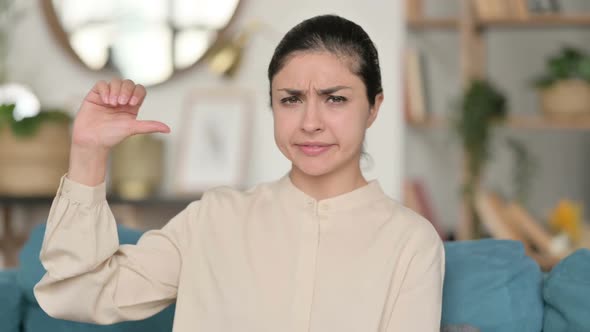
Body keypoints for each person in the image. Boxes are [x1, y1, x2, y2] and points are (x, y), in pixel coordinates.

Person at [34, 14, 445, 331]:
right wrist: (88, 154)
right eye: (291, 100)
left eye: (335, 99)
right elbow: (76, 293)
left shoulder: (410, 242)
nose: (310, 122)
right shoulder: (213, 218)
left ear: (374, 106)